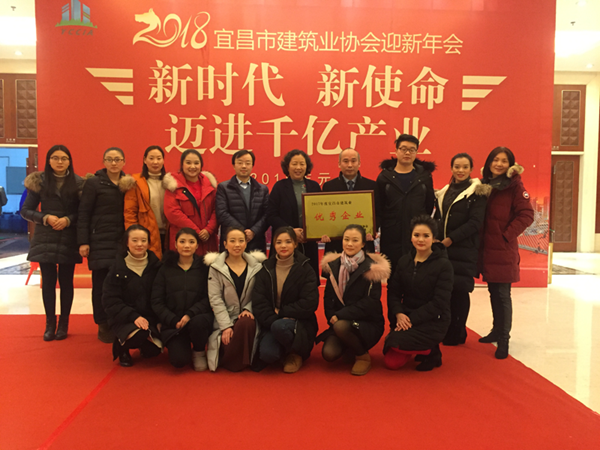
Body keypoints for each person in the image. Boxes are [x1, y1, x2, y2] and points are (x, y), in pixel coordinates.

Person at [21, 145, 85, 341]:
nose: (59, 162)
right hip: (45, 236)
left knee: (66, 282)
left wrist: (68, 220)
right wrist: (45, 217)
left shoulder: (79, 183)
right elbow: (25, 210)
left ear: (69, 161)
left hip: (68, 236)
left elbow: (83, 212)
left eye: (64, 158)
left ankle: (64, 323)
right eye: (55, 158)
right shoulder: (40, 182)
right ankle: (50, 323)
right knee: (48, 282)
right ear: (49, 161)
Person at [477, 147, 534, 359]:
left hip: (502, 248)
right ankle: (495, 330)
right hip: (487, 248)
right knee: (493, 291)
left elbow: (527, 214)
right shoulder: (484, 184)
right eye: (495, 160)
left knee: (502, 295)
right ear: (489, 162)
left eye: (504, 161)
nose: (499, 164)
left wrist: (506, 235)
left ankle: (504, 339)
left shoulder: (515, 186)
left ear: (510, 165)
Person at [383, 215, 454, 372]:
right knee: (391, 360)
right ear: (411, 237)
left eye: (426, 236)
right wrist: (399, 314)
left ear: (434, 238)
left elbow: (439, 303)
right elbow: (393, 292)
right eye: (416, 235)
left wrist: (410, 320)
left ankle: (432, 352)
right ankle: (419, 346)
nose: (420, 240)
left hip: (433, 320)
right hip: (406, 316)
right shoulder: (403, 261)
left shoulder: (444, 265)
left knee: (394, 341)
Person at [319, 224, 390, 376]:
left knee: (341, 326)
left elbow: (370, 303)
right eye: (346, 239)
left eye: (355, 240)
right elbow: (328, 298)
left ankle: (362, 356)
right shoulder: (333, 265)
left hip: (366, 322)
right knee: (329, 354)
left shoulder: (372, 268)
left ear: (363, 243)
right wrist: (331, 316)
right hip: (340, 321)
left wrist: (340, 316)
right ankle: (350, 344)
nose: (349, 244)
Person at [434, 153, 487, 346]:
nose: (461, 170)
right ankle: (448, 329)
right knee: (446, 291)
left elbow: (475, 223)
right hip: (444, 249)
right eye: (457, 166)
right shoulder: (445, 191)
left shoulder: (477, 192)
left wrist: (451, 239)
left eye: (465, 167)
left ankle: (458, 331)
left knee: (460, 290)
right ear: (451, 168)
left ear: (471, 169)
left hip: (463, 249)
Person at [78, 147, 128, 343]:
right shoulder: (94, 183)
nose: (114, 163)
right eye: (110, 159)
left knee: (121, 285)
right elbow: (84, 213)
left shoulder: (128, 183)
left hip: (122, 242)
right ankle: (102, 323)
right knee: (100, 285)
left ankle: (118, 321)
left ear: (123, 162)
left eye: (117, 159)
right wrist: (83, 241)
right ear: (104, 162)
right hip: (99, 241)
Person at [252, 226, 319, 373]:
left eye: (288, 242)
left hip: (298, 322)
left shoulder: (305, 269)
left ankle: (296, 353)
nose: (283, 246)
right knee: (268, 355)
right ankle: (284, 349)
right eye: (279, 242)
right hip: (272, 321)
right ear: (273, 245)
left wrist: (282, 312)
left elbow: (309, 303)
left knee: (280, 327)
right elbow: (259, 301)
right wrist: (274, 318)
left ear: (295, 244)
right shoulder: (265, 269)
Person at [204, 226, 267, 371]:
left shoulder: (257, 267)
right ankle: (235, 358)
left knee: (246, 322)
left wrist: (248, 309)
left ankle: (238, 361)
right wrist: (226, 326)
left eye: (241, 241)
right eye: (232, 241)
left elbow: (260, 293)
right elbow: (215, 299)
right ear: (225, 244)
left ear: (246, 243)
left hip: (249, 315)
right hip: (226, 316)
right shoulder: (216, 268)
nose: (237, 245)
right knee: (227, 338)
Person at [151, 228, 214, 370]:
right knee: (179, 361)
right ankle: (182, 344)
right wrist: (173, 319)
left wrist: (190, 314)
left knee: (199, 322)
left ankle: (198, 351)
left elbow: (209, 297)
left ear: (197, 245)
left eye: (191, 242)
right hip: (174, 323)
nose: (186, 246)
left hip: (197, 318)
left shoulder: (204, 268)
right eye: (182, 241)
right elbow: (156, 301)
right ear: (175, 244)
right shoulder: (165, 268)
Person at [102, 225, 162, 367]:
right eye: (135, 240)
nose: (139, 244)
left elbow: (161, 296)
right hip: (124, 318)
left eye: (143, 240)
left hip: (150, 317)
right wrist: (133, 316)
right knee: (140, 334)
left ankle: (144, 342)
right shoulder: (117, 268)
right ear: (127, 243)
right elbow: (110, 301)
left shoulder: (157, 266)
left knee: (153, 351)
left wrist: (160, 320)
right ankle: (122, 347)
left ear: (149, 242)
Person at [376, 134, 435, 275]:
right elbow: (378, 207)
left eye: (412, 150)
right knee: (393, 276)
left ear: (416, 152)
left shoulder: (424, 177)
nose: (407, 153)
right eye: (403, 149)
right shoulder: (384, 177)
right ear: (396, 151)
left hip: (417, 236)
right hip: (391, 235)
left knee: (418, 276)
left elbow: (428, 206)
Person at [266, 149, 321, 277]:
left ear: (307, 166)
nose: (298, 167)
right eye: (294, 164)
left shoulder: (314, 186)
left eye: (302, 164)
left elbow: (320, 214)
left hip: (308, 241)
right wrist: (291, 231)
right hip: (285, 241)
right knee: (283, 279)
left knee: (308, 278)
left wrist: (312, 232)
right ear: (287, 167)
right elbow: (271, 215)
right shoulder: (279, 187)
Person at [321, 148, 377, 254]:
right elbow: (324, 213)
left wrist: (373, 230)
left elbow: (378, 211)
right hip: (336, 243)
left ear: (359, 163)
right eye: (345, 161)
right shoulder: (329, 186)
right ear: (339, 164)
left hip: (364, 241)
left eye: (353, 161)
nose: (350, 165)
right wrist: (324, 231)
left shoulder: (371, 186)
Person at [163, 149, 218, 256]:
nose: (192, 166)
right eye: (188, 163)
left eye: (196, 163)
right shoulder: (173, 185)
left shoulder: (209, 184)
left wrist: (209, 229)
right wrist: (195, 231)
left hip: (207, 238)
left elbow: (217, 209)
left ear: (201, 165)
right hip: (184, 238)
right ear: (182, 164)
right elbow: (173, 212)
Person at [215, 150, 270, 252]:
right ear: (233, 165)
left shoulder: (262, 189)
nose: (244, 166)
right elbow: (222, 213)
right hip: (232, 241)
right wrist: (241, 232)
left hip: (255, 241)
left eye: (247, 163)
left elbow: (267, 214)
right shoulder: (224, 187)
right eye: (240, 163)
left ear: (252, 165)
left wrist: (253, 231)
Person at [122, 145, 167, 259]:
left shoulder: (170, 182)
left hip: (168, 233)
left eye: (159, 158)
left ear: (163, 160)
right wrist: (133, 235)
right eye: (151, 158)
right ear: (145, 160)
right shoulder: (136, 182)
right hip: (146, 234)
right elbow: (130, 212)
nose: (155, 162)